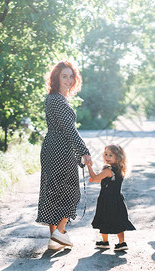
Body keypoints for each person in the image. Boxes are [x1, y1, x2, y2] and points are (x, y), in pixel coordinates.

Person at [36, 60, 92, 250]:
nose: (68, 80)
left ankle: (55, 240)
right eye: (64, 76)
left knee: (53, 191)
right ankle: (59, 233)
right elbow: (70, 129)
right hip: (60, 148)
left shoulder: (53, 99)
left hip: (53, 146)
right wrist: (84, 151)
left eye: (71, 76)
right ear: (56, 78)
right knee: (69, 192)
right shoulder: (58, 101)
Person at [85, 144, 135, 251]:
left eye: (110, 155)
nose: (107, 157)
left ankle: (105, 241)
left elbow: (95, 178)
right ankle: (121, 242)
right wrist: (98, 179)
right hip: (117, 199)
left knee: (104, 218)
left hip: (106, 199)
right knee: (118, 220)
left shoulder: (108, 170)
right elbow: (100, 180)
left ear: (118, 157)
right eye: (106, 154)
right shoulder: (119, 169)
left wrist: (88, 166)